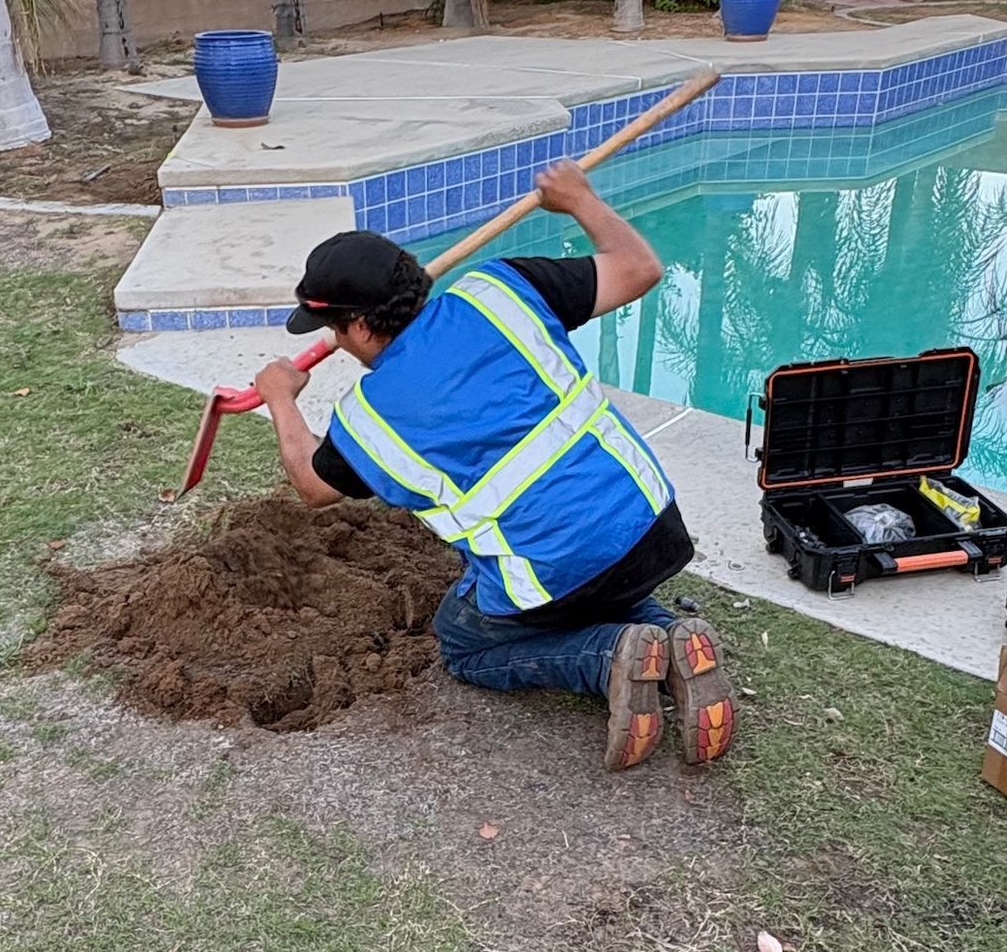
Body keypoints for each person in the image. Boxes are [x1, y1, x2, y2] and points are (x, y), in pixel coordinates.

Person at [250, 156, 734, 770]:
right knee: (584, 571)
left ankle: (609, 658)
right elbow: (639, 267)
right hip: (651, 529)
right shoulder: (503, 291)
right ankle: (668, 640)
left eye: (333, 330)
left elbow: (314, 487)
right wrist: (580, 198)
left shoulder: (369, 419)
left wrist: (279, 400)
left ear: (363, 325)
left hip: (559, 578)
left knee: (463, 640)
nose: (335, 344)